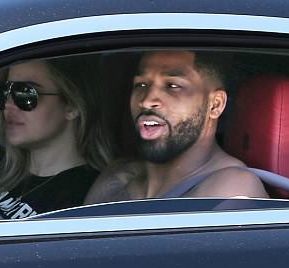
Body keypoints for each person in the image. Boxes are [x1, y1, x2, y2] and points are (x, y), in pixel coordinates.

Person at [84, 50, 268, 203]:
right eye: (141, 84)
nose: (146, 101)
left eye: (172, 86)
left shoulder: (232, 189)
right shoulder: (118, 175)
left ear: (215, 105)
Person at [0, 56, 112, 219]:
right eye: (5, 91)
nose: (7, 105)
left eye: (26, 93)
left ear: (72, 106)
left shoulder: (85, 196)